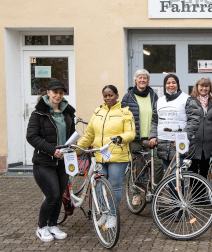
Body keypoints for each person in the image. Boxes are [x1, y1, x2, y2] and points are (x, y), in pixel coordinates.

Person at [77, 85, 136, 229]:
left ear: (116, 95)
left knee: (115, 186)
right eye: (105, 95)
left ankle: (112, 215)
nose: (108, 98)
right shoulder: (98, 112)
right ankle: (103, 212)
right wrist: (77, 150)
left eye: (110, 95)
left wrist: (120, 138)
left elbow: (131, 133)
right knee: (98, 184)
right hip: (100, 155)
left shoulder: (125, 112)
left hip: (118, 156)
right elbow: (89, 135)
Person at [27, 80, 76, 242]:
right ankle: (41, 227)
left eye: (61, 93)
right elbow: (32, 136)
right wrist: (51, 150)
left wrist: (73, 143)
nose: (58, 96)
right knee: (52, 194)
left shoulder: (67, 113)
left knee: (60, 194)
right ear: (48, 93)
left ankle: (53, 225)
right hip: (44, 162)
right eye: (55, 92)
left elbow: (71, 132)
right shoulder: (38, 114)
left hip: (62, 161)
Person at [121, 69, 163, 206]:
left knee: (157, 163)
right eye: (140, 78)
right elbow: (123, 118)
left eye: (145, 78)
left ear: (148, 80)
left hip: (151, 137)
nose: (142, 80)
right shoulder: (128, 97)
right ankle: (136, 193)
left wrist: (156, 134)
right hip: (135, 138)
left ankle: (154, 189)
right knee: (136, 166)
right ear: (135, 80)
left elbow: (158, 116)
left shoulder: (154, 96)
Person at [148, 74, 200, 171]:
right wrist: (153, 136)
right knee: (169, 178)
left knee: (176, 178)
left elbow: (194, 120)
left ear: (178, 84)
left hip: (179, 144)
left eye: (173, 82)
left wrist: (183, 137)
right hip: (163, 143)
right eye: (168, 83)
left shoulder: (187, 99)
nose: (171, 85)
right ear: (165, 85)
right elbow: (155, 121)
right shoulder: (159, 101)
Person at [189, 77, 212, 178]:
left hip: (208, 144)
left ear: (210, 87)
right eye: (201, 86)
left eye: (207, 86)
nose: (204, 88)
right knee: (193, 172)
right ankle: (194, 194)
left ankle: (202, 193)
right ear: (197, 87)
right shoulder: (190, 100)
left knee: (204, 171)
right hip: (194, 143)